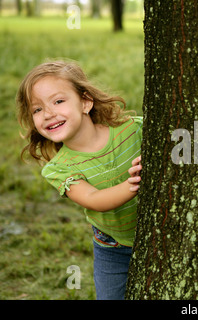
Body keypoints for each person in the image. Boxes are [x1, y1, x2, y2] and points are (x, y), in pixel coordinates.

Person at [17, 60, 143, 300]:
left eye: (58, 101)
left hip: (160, 230)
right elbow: (93, 198)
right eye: (37, 109)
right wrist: (133, 184)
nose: (49, 114)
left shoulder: (132, 131)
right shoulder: (59, 169)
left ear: (85, 102)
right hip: (114, 248)